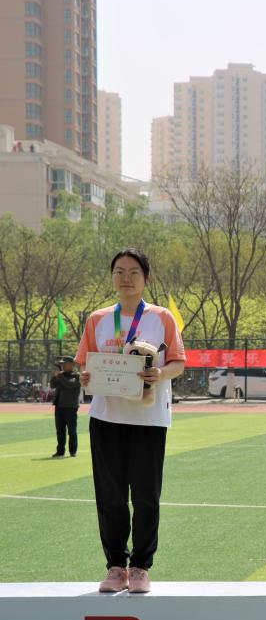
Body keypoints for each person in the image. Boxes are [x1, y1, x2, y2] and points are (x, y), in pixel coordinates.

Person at [76, 248, 186, 594]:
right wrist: (85, 376)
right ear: (112, 277)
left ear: (145, 278)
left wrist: (160, 373)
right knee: (109, 496)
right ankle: (115, 566)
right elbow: (86, 363)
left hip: (149, 419)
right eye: (119, 272)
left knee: (145, 496)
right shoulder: (97, 319)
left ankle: (140, 567)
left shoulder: (162, 317)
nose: (126, 278)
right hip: (106, 417)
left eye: (133, 272)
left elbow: (178, 363)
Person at [50, 356, 81, 458]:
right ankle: (60, 451)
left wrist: (60, 376)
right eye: (61, 364)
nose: (62, 366)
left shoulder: (76, 376)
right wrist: (54, 376)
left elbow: (69, 385)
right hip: (59, 406)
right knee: (60, 430)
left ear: (71, 365)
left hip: (70, 407)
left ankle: (73, 451)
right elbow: (52, 385)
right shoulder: (61, 375)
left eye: (64, 364)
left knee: (71, 430)